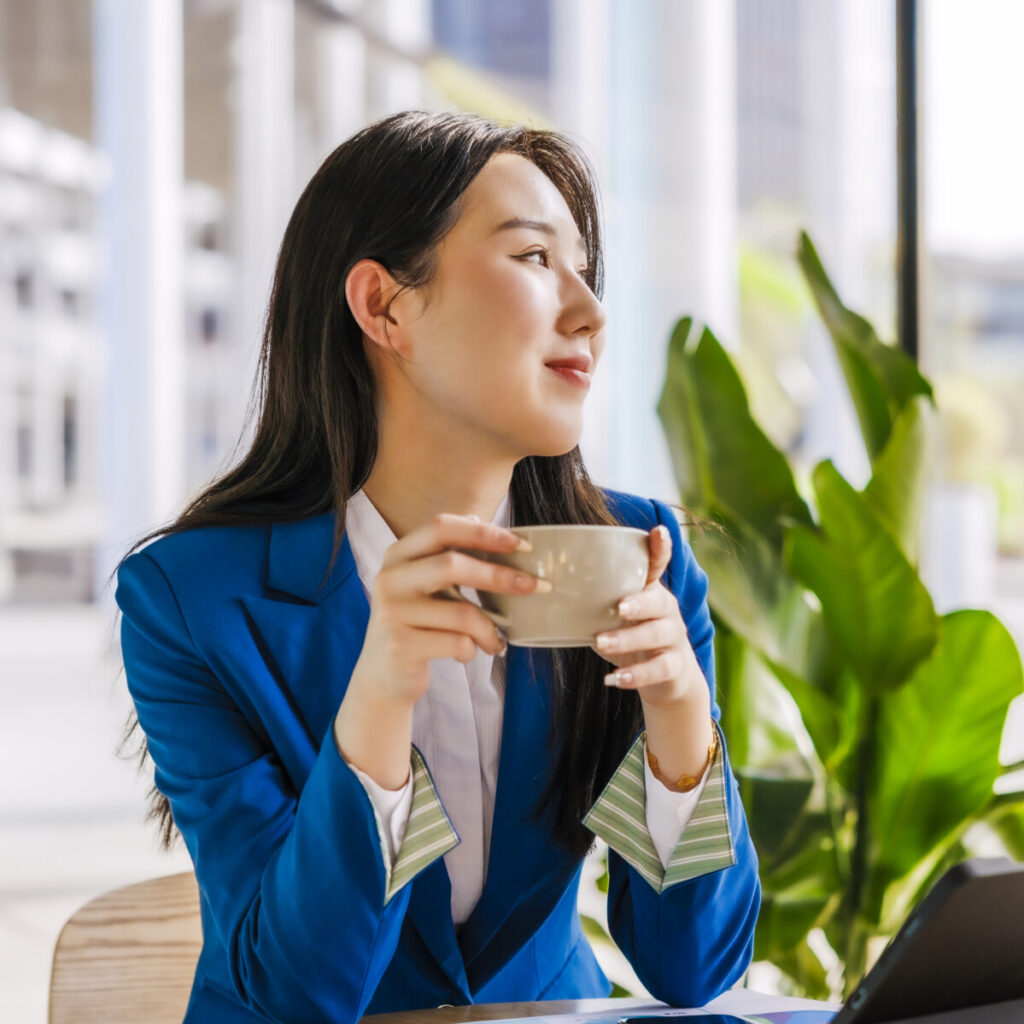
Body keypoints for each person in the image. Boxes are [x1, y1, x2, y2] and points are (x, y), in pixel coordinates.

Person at [115, 110, 760, 1024]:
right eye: (535, 259)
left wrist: (680, 725)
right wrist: (377, 702)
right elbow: (299, 997)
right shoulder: (192, 602)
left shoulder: (636, 558)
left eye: (586, 269)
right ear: (384, 305)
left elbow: (691, 969)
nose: (590, 309)